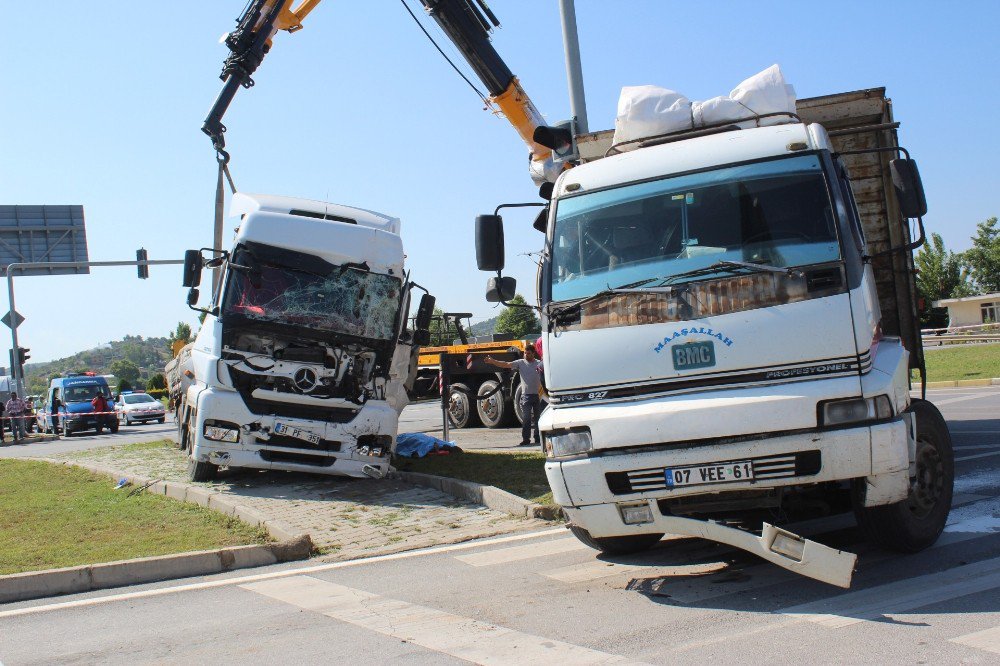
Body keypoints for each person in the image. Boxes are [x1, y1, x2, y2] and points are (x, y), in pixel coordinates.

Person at [484, 345, 543, 447]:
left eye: (528, 353)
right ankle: (526, 439)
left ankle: (538, 437)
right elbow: (506, 364)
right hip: (526, 396)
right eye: (525, 353)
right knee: (527, 418)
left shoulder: (539, 363)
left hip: (537, 396)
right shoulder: (520, 363)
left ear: (533, 353)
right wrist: (493, 361)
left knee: (538, 418)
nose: (526, 355)